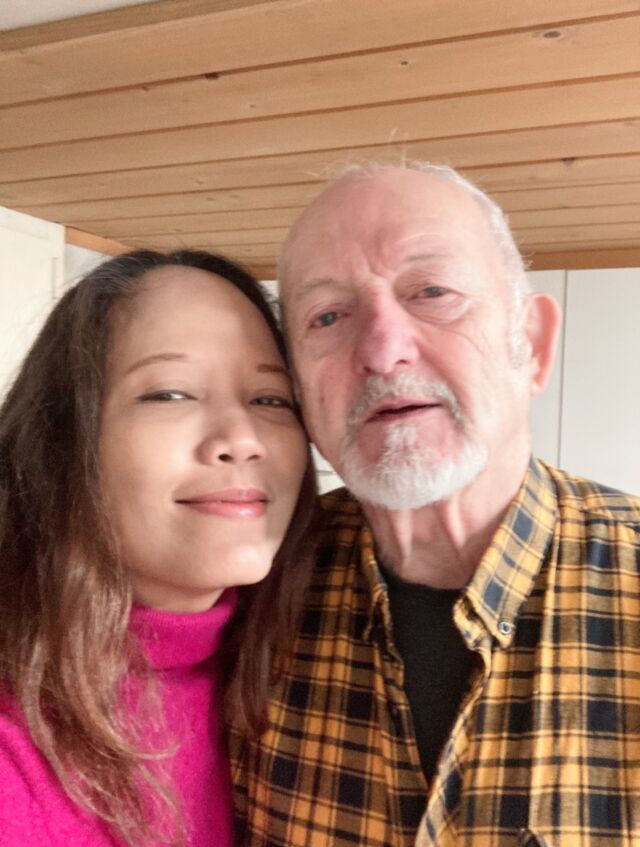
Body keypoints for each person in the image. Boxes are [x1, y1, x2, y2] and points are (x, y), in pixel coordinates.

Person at [230, 163, 640, 846]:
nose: (382, 350)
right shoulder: (248, 590)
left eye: (433, 292)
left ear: (532, 347)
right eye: (328, 316)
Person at [0, 249, 317, 846]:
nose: (242, 439)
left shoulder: (304, 668)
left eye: (271, 399)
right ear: (62, 437)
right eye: (171, 394)